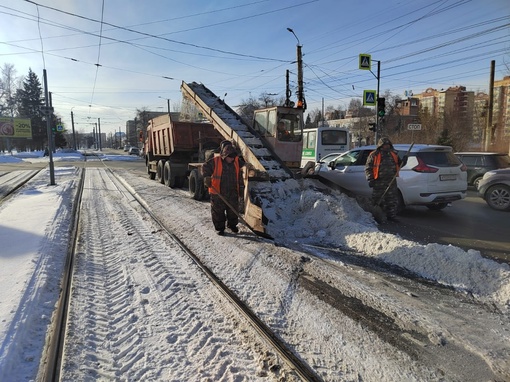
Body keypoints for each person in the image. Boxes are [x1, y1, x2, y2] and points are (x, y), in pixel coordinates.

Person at [202, 143, 245, 235]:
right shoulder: (216, 161)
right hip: (218, 192)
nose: (232, 159)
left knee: (233, 211)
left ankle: (232, 225)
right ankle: (220, 228)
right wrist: (207, 177)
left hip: (232, 191)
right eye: (230, 157)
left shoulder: (236, 162)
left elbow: (245, 164)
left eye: (233, 157)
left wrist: (241, 189)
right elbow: (205, 167)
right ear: (224, 155)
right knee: (218, 212)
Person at [365, 137, 402, 222]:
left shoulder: (394, 154)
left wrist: (404, 161)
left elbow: (399, 164)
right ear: (380, 145)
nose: (386, 146)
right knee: (377, 199)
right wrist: (370, 179)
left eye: (388, 145)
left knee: (391, 199)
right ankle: (376, 216)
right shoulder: (374, 155)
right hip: (378, 181)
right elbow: (368, 168)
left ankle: (391, 216)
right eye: (385, 145)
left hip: (391, 181)